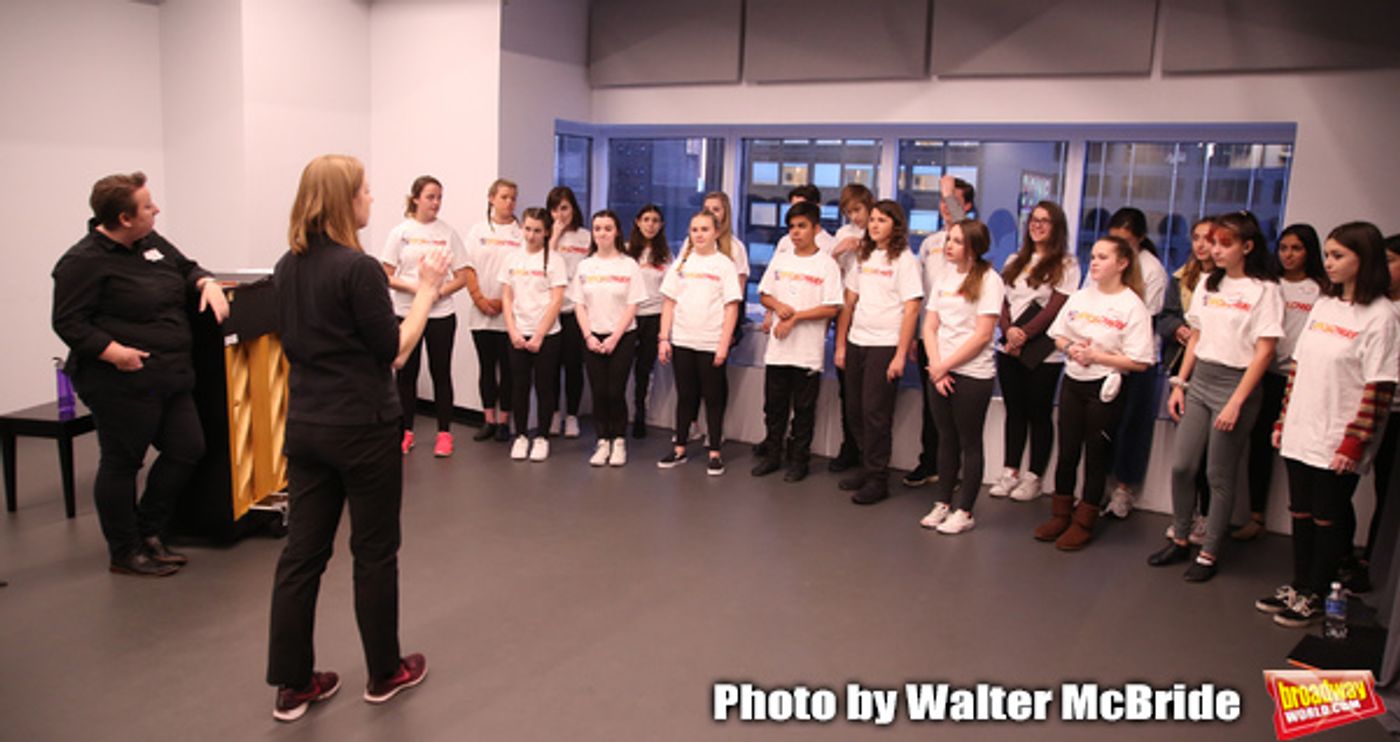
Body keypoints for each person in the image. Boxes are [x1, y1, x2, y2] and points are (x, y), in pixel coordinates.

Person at [267, 154, 441, 721]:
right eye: (365, 191)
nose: (371, 198)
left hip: (308, 428)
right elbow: (393, 350)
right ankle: (385, 672)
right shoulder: (358, 269)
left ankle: (294, 686)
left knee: (301, 556)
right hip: (362, 430)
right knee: (373, 552)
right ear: (345, 200)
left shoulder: (286, 266)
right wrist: (427, 293)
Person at [52, 171, 229, 577]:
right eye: (148, 206)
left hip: (170, 375)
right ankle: (124, 550)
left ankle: (149, 531)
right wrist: (114, 353)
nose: (156, 210)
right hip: (121, 381)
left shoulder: (150, 243)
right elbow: (69, 322)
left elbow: (186, 267)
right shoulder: (82, 262)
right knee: (122, 462)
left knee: (188, 448)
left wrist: (206, 281)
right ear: (124, 218)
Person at [1260, 222, 1397, 627]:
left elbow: (1380, 386)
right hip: (1301, 427)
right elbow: (1298, 368)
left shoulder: (1382, 316)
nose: (1329, 263)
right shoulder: (1324, 304)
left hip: (1338, 435)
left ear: (1364, 260)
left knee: (1327, 515)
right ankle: (1300, 585)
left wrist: (1353, 443)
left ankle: (1318, 594)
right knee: (1299, 512)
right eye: (1329, 255)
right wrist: (1284, 419)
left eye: (1338, 256)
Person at [1148, 211, 1283, 582]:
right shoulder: (1209, 282)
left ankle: (1209, 552)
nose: (1215, 249)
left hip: (1236, 384)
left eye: (1226, 243)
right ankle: (1180, 536)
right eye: (1213, 242)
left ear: (1248, 247)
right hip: (1201, 379)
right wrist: (1179, 383)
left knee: (1218, 473)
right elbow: (1196, 336)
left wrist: (1238, 401)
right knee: (1182, 466)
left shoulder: (1265, 290)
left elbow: (1265, 351)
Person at [1034, 236, 1154, 549]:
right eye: (1094, 256)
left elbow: (1140, 361)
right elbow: (1058, 335)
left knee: (1096, 454)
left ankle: (1085, 520)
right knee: (1068, 451)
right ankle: (1060, 513)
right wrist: (1071, 347)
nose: (1095, 262)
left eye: (1103, 257)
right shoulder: (1080, 298)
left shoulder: (1132, 305)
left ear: (1122, 263)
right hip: (1073, 381)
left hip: (1105, 386)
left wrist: (1098, 356)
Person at [1236, 223, 1326, 541]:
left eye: (1296, 248)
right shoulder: (1268, 285)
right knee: (1259, 447)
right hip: (1265, 375)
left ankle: (1307, 520)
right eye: (1284, 247)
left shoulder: (1321, 290)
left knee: (1298, 451)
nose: (1288, 254)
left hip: (1300, 380)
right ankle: (1257, 517)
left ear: (1309, 252)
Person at [989, 201, 1079, 502]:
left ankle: (1034, 476)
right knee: (1014, 412)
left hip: (1043, 353)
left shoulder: (1067, 264)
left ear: (1057, 227)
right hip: (1010, 348)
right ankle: (1010, 470)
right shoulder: (1015, 259)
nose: (1037, 225)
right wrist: (1008, 331)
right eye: (1034, 220)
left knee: (1038, 413)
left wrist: (1024, 334)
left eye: (1045, 221)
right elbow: (1001, 300)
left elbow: (1056, 308)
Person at [835, 200, 924, 505]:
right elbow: (849, 301)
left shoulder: (905, 261)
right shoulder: (864, 254)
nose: (874, 225)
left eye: (881, 220)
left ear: (895, 225)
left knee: (876, 413)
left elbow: (912, 309)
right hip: (858, 340)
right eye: (871, 219)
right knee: (855, 411)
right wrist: (841, 345)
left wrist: (900, 355)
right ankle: (865, 465)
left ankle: (878, 478)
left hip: (885, 344)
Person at [919, 219, 1004, 534]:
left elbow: (982, 335)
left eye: (956, 241)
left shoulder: (989, 280)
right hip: (941, 370)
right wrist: (937, 365)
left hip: (972, 374)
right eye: (948, 239)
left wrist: (945, 366)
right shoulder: (943, 277)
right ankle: (943, 502)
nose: (948, 245)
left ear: (972, 246)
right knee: (946, 439)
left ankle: (965, 510)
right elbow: (930, 326)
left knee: (969, 442)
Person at [752, 201, 843, 482]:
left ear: (816, 228)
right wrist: (778, 307)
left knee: (803, 411)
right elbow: (764, 294)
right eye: (791, 227)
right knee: (774, 407)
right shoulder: (781, 259)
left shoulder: (826, 264)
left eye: (802, 226)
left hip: (806, 352)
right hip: (778, 351)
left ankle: (799, 461)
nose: (796, 232)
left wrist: (796, 317)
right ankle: (772, 455)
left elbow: (833, 307)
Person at [380, 175, 470, 457]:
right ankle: (405, 431)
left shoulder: (448, 233)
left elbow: (463, 276)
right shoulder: (400, 232)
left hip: (441, 314)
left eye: (439, 197)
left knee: (441, 372)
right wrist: (416, 288)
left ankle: (444, 434)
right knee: (406, 374)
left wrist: (437, 292)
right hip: (406, 313)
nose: (436, 203)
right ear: (416, 198)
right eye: (430, 197)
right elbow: (385, 274)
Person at [657, 211, 742, 474]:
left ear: (716, 232)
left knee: (713, 399)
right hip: (683, 341)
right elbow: (669, 302)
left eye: (705, 229)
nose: (699, 234)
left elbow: (731, 307)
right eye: (694, 230)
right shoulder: (682, 263)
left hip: (710, 343)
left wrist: (723, 345)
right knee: (685, 397)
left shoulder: (724, 265)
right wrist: (664, 338)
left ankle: (715, 451)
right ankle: (680, 447)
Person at [906, 176, 973, 488]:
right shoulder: (930, 243)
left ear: (966, 207)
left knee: (956, 411)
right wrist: (913, 338)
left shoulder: (973, 240)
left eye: (954, 202)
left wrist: (947, 191)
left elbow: (962, 229)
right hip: (929, 337)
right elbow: (919, 295)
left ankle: (954, 469)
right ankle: (929, 462)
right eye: (943, 202)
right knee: (931, 407)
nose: (946, 207)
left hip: (959, 341)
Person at [1104, 207, 1169, 517]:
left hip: (1137, 359)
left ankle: (1124, 490)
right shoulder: (1107, 262)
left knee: (1133, 426)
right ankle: (1099, 489)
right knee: (1106, 426)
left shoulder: (1151, 269)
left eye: (1126, 241)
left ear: (1140, 240)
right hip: (1105, 356)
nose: (1119, 245)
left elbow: (1144, 320)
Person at [1156, 217, 1216, 543]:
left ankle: (1207, 517)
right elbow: (1164, 318)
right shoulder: (1182, 276)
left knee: (1211, 457)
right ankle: (1186, 516)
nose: (1202, 244)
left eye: (1210, 238)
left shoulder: (1229, 284)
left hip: (1215, 371)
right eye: (1197, 237)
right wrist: (1176, 327)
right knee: (1187, 455)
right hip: (1183, 366)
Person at [572, 210, 645, 466]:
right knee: (599, 391)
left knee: (615, 391)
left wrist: (615, 337)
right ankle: (602, 441)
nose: (602, 233)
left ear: (617, 232)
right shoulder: (585, 265)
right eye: (598, 228)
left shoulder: (629, 265)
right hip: (592, 335)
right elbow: (579, 304)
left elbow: (632, 305)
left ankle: (619, 441)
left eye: (608, 228)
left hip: (622, 336)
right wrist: (588, 336)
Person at [499, 208, 568, 462]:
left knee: (544, 386)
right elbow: (507, 296)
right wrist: (513, 330)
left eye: (537, 230)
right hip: (518, 331)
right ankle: (520, 436)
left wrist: (539, 334)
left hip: (547, 335)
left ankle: (541, 437)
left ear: (546, 232)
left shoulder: (554, 260)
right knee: (518, 386)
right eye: (527, 229)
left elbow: (556, 300)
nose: (531, 235)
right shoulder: (511, 259)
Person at [462, 178, 522, 443]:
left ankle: (504, 422)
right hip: (481, 311)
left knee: (509, 370)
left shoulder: (521, 233)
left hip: (509, 313)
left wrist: (501, 302)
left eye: (513, 198)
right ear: (491, 199)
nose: (509, 202)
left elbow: (524, 272)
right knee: (487, 368)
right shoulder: (477, 231)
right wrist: (478, 298)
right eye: (504, 197)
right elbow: (467, 267)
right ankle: (487, 419)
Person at [826, 183, 876, 473]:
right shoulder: (843, 235)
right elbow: (828, 271)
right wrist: (838, 251)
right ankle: (851, 446)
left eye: (858, 210)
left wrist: (864, 245)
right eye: (849, 212)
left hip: (875, 316)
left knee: (870, 396)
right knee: (848, 389)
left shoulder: (881, 231)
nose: (855, 217)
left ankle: (870, 454)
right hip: (847, 311)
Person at [547, 186, 589, 439]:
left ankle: (572, 416)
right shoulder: (548, 236)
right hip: (552, 310)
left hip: (576, 310)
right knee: (550, 367)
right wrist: (555, 233)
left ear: (573, 207)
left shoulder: (586, 236)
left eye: (564, 207)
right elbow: (544, 264)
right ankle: (553, 415)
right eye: (555, 208)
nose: (560, 213)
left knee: (574, 366)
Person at [625, 204, 670, 438]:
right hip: (629, 318)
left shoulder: (666, 255)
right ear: (637, 222)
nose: (650, 224)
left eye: (655, 220)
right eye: (646, 219)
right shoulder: (625, 252)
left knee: (644, 369)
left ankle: (640, 413)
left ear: (660, 225)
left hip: (654, 317)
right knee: (622, 369)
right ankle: (621, 415)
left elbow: (670, 292)